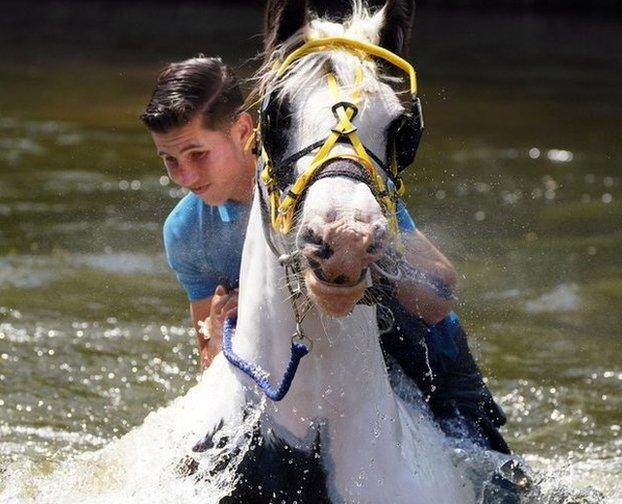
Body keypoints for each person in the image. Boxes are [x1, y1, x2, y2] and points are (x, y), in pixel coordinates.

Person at [141, 56, 509, 453]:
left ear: (244, 130)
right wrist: (216, 329)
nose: (185, 177)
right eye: (170, 161)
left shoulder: (326, 180)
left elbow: (439, 295)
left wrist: (369, 257)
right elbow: (210, 364)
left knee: (486, 472)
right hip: (301, 384)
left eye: (198, 154)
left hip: (422, 357)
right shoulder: (186, 231)